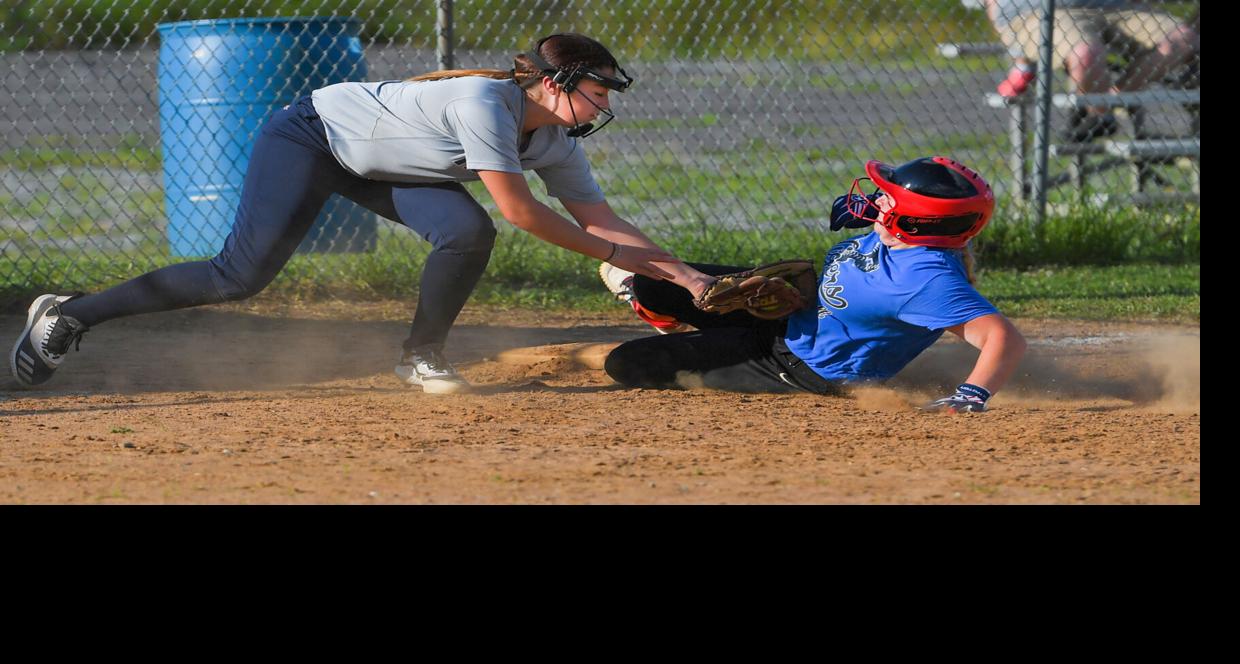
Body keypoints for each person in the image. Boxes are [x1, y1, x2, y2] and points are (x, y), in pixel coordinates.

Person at [13, 32, 725, 394]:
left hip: (384, 167)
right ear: (556, 83)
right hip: (313, 139)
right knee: (237, 277)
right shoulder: (487, 103)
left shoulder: (554, 141)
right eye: (599, 90)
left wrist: (687, 277)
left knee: (463, 232)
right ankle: (72, 315)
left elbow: (600, 219)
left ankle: (420, 357)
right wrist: (617, 261)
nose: (605, 103)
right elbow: (522, 212)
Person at [599, 157, 1026, 412]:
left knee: (626, 363)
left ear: (916, 220)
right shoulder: (892, 236)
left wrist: (970, 396)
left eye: (888, 198)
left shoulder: (926, 279)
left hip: (800, 366)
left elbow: (1003, 338)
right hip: (791, 314)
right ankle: (678, 321)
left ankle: (709, 339)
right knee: (652, 284)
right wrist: (801, 293)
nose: (876, 199)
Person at [985, 1, 1199, 141]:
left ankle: (1110, 101)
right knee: (1086, 54)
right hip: (1041, 10)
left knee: (1184, 38)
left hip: (1117, 7)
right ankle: (1097, 113)